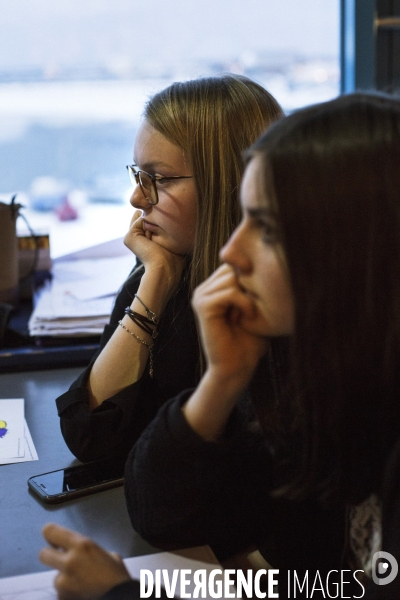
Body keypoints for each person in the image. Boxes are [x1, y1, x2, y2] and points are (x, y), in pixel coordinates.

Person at [40, 92, 400, 599]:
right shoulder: (337, 373)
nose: (233, 248)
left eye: (267, 227)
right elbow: (330, 579)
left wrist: (122, 595)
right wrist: (221, 380)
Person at [55, 74, 283, 463]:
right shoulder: (162, 269)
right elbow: (89, 436)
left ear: (228, 182)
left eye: (158, 179)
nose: (137, 198)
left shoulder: (276, 309)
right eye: (139, 175)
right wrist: (155, 281)